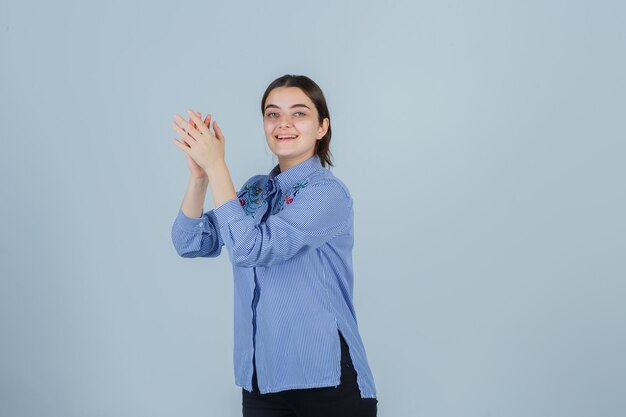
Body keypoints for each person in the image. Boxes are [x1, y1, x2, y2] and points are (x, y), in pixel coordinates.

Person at [170, 74, 378, 417]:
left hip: (325, 380)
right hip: (262, 379)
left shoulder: (327, 194)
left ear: (322, 127)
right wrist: (201, 177)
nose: (284, 124)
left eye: (299, 113)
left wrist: (218, 166)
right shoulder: (256, 191)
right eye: (272, 114)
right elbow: (190, 241)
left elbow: (252, 249)